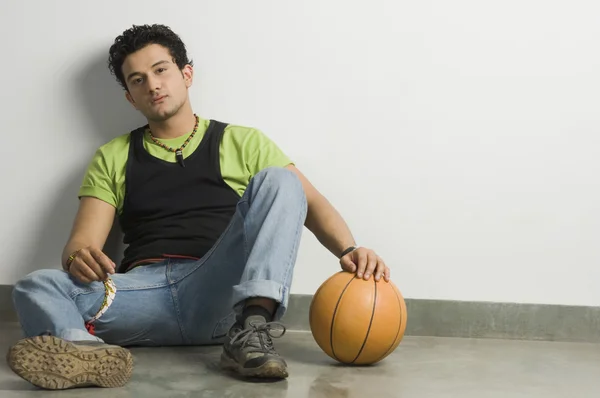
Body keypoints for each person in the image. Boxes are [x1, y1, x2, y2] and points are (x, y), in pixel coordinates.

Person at [6, 24, 390, 390]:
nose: (152, 84)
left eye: (161, 70)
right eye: (137, 80)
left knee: (282, 180)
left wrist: (350, 250)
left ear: (186, 74)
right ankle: (84, 354)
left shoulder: (243, 142)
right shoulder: (113, 156)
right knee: (36, 285)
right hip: (142, 296)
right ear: (129, 96)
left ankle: (252, 329)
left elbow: (312, 203)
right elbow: (80, 243)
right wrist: (78, 258)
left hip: (219, 290)